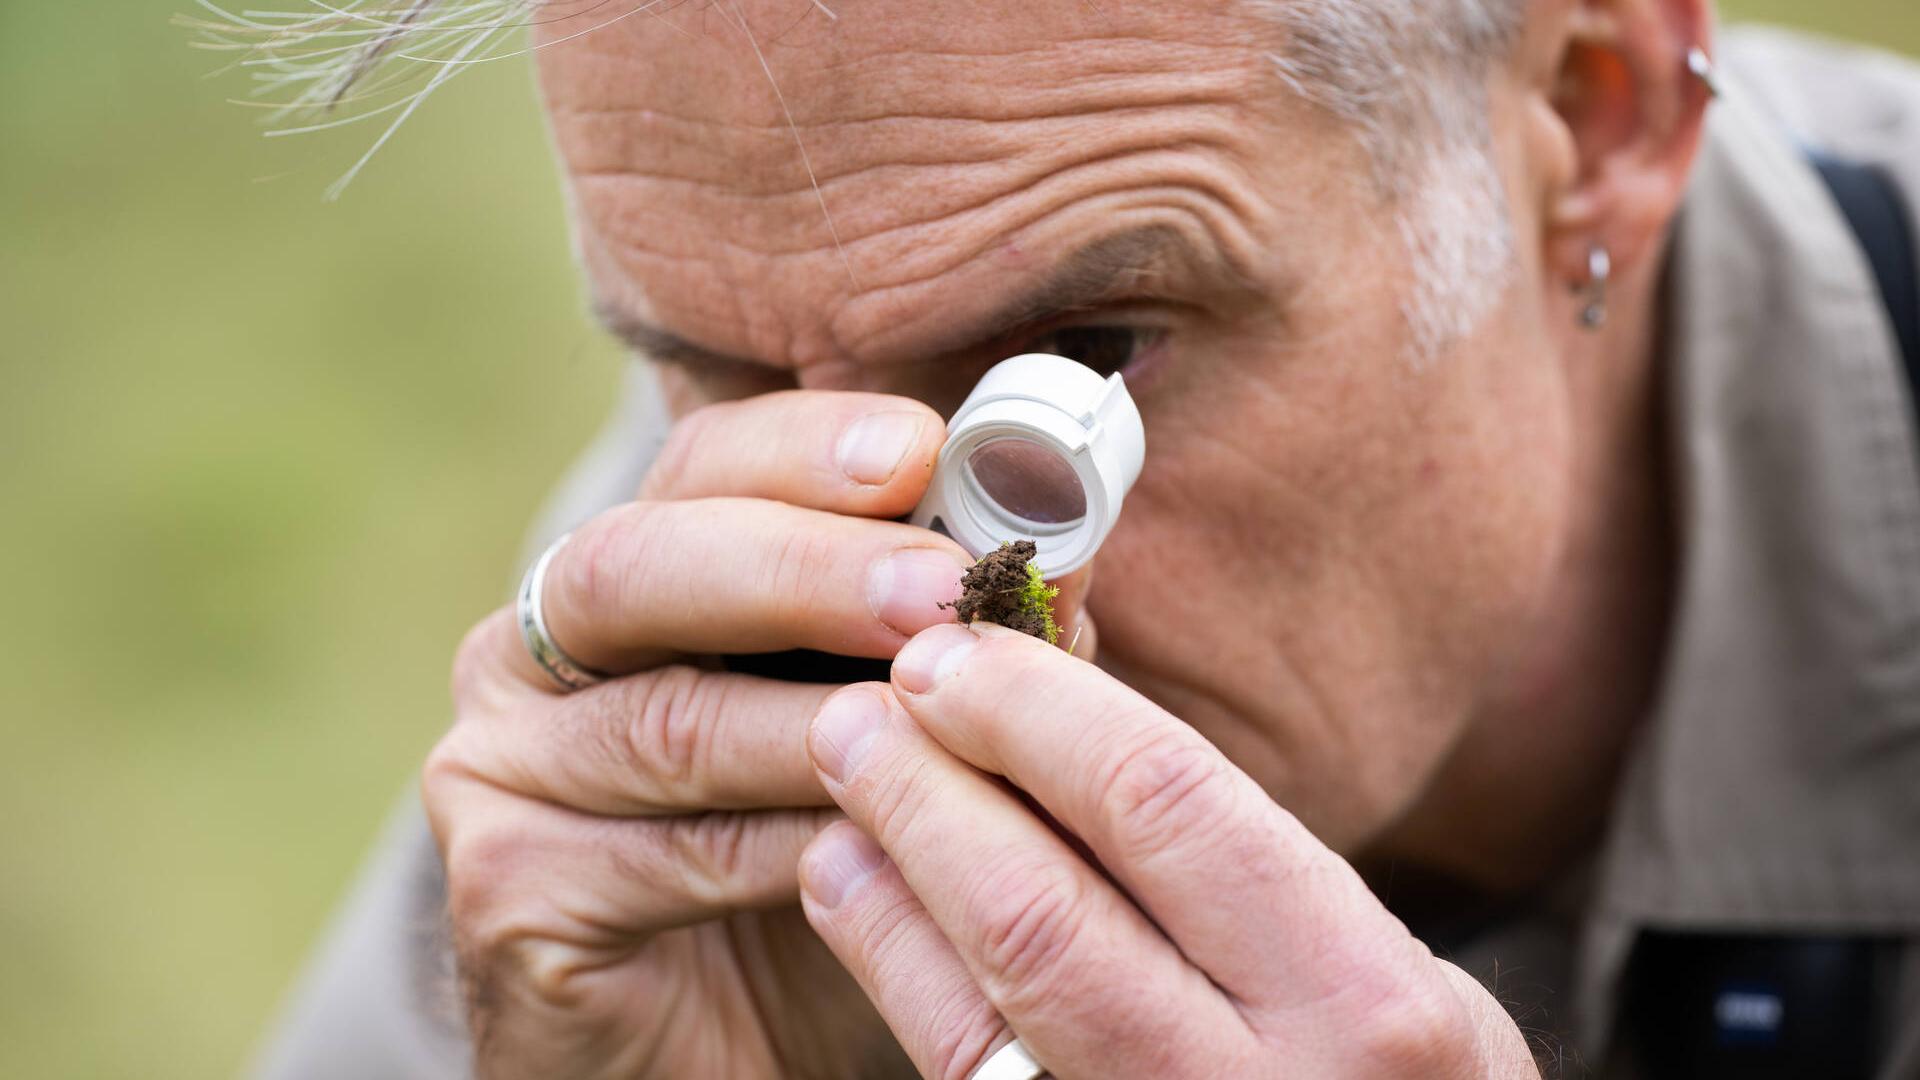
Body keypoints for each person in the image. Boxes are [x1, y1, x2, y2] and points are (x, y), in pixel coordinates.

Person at [252, 1, 1920, 1076]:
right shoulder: (706, 589)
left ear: (1595, 112)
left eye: (1087, 366)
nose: (899, 612)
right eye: (710, 368)